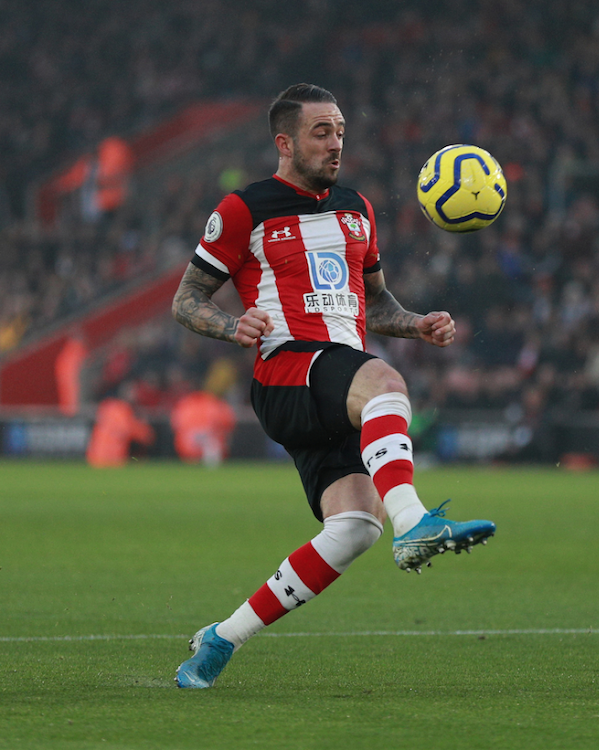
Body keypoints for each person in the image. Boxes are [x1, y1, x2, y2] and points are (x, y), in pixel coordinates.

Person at [171, 83, 496, 689]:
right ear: (284, 142)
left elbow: (374, 303)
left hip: (335, 378)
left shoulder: (357, 208)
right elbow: (186, 298)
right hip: (285, 368)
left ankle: (220, 640)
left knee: (352, 528)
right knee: (385, 381)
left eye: (341, 131)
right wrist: (229, 323)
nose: (336, 143)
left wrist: (415, 322)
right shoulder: (245, 208)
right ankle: (416, 523)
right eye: (322, 132)